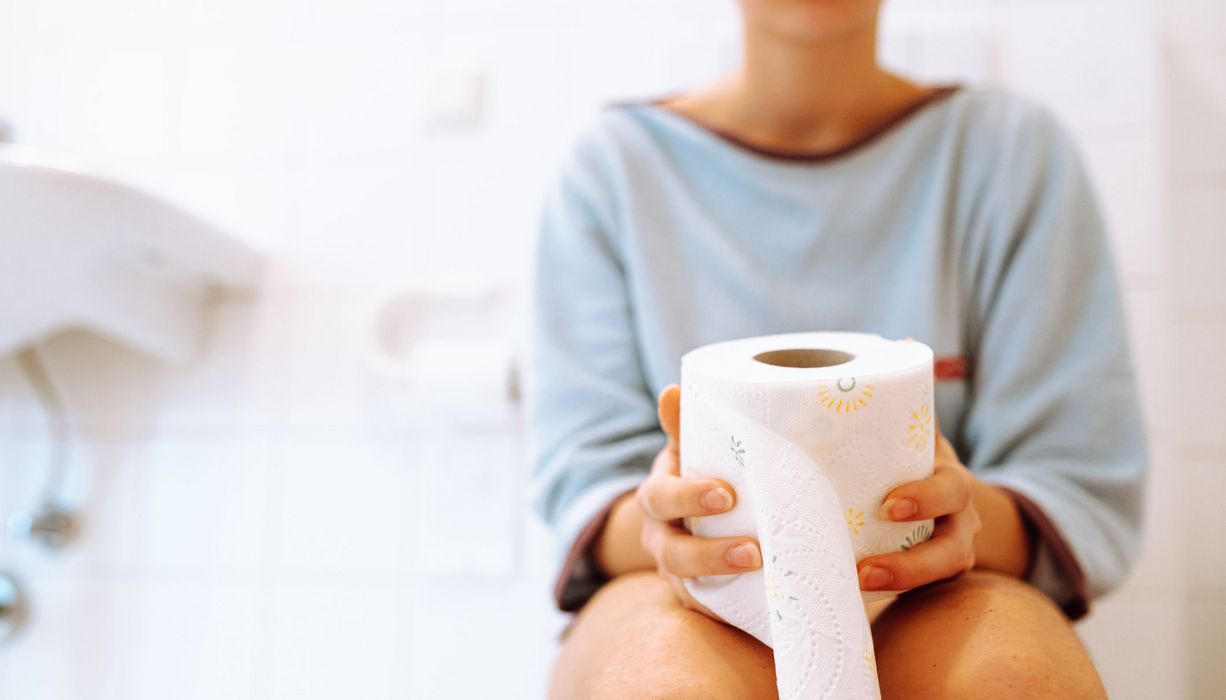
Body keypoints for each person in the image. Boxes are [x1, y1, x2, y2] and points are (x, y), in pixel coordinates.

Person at [530, 1, 1145, 697]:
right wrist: (666, 521)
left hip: (940, 585)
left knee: (1009, 680)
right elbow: (585, 485)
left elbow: (1077, 479)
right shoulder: (613, 172)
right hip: (689, 585)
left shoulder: (1010, 154)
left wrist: (956, 510)